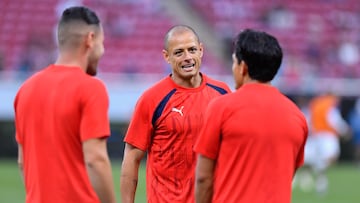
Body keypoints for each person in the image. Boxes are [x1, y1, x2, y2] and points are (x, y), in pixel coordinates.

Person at [14, 6, 116, 203]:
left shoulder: (25, 90)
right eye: (102, 44)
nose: (102, 51)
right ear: (90, 40)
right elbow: (95, 159)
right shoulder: (91, 88)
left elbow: (22, 161)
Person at [194, 29, 308, 203]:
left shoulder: (221, 108)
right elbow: (287, 175)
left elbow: (203, 177)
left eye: (234, 62)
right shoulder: (298, 117)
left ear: (243, 67)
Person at [120, 25, 231, 203]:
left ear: (201, 50)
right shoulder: (152, 99)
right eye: (179, 52)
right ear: (167, 56)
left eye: (192, 50)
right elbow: (132, 158)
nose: (187, 57)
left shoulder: (222, 93)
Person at [300, 92, 350, 194]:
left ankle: (310, 174)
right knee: (332, 157)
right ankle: (319, 177)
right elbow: (333, 119)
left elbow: (308, 118)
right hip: (328, 135)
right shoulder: (330, 104)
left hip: (316, 134)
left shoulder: (316, 103)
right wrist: (345, 130)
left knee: (316, 158)